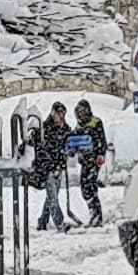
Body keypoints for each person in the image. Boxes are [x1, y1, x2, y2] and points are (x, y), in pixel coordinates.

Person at [30, 102, 73, 231]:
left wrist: (67, 151)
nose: (60, 116)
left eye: (62, 114)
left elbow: (68, 145)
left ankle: (42, 221)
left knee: (51, 197)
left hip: (58, 167)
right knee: (53, 197)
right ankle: (60, 223)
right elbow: (39, 146)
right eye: (58, 114)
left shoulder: (65, 129)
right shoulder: (44, 128)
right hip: (47, 168)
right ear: (53, 113)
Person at [69, 99, 111, 227]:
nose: (80, 114)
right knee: (84, 187)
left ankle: (97, 217)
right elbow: (74, 142)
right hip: (84, 161)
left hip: (93, 160)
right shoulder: (78, 126)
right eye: (78, 112)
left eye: (82, 111)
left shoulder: (95, 122)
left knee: (90, 186)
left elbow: (101, 139)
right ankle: (93, 212)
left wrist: (100, 154)